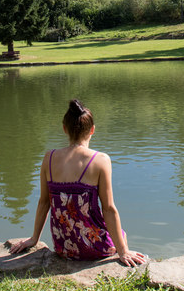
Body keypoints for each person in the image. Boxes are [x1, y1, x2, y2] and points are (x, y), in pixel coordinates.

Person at [10, 99, 147, 267]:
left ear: (64, 129)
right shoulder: (101, 160)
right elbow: (109, 208)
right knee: (122, 235)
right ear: (92, 130)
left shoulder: (49, 158)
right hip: (95, 248)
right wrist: (123, 250)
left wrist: (34, 239)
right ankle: (120, 250)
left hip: (64, 247)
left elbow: (44, 202)